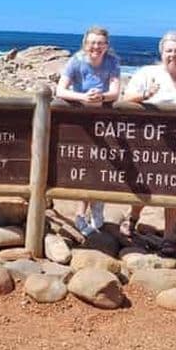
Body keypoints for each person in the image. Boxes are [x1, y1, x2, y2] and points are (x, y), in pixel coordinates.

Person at [123, 31, 176, 257]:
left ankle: (169, 236)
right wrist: (146, 95)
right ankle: (132, 220)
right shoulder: (147, 74)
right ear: (161, 52)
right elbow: (126, 100)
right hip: (149, 143)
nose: (173, 55)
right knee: (144, 183)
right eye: (169, 50)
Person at [56, 25, 120, 236]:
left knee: (101, 163)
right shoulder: (76, 61)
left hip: (104, 120)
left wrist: (101, 97)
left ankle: (97, 207)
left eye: (100, 43)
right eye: (92, 42)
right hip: (81, 120)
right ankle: (80, 213)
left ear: (106, 46)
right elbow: (60, 90)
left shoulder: (112, 61)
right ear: (85, 44)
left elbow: (115, 91)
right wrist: (83, 97)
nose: (96, 47)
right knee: (84, 164)